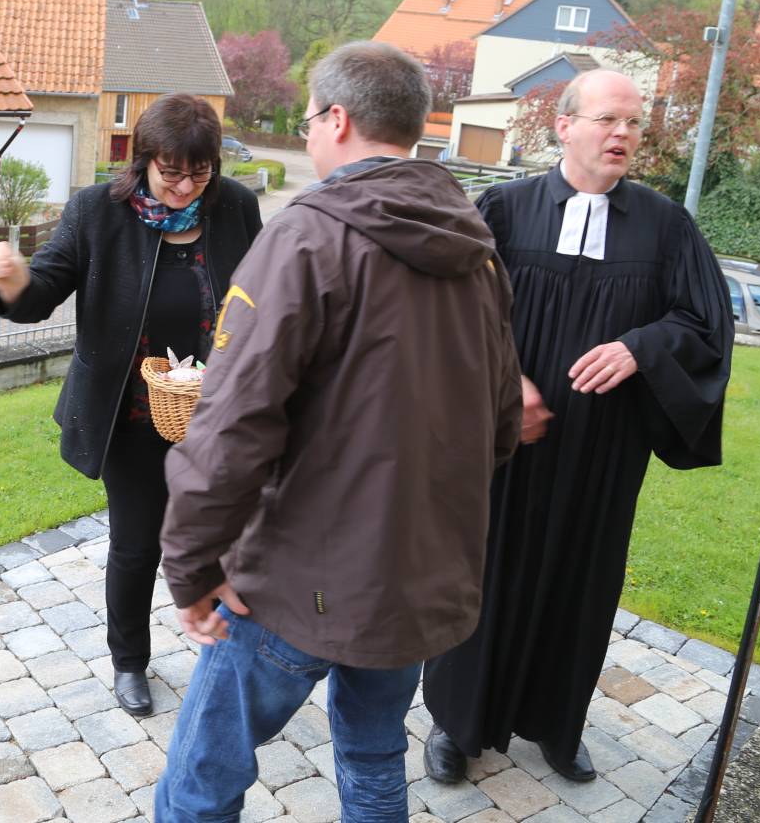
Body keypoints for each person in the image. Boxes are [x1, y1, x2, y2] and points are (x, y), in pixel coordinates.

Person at [152, 41, 523, 822]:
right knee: (375, 761)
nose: (309, 134)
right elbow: (499, 426)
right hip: (414, 578)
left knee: (201, 783)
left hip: (295, 580)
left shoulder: (306, 237)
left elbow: (231, 424)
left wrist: (190, 565)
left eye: (310, 120)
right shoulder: (477, 253)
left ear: (339, 119)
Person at [421, 69, 735, 785]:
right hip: (507, 441)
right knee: (483, 572)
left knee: (581, 581)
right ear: (564, 127)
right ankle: (456, 724)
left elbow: (704, 323)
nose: (623, 133)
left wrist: (640, 347)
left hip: (604, 450)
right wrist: (507, 380)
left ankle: (557, 724)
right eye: (607, 119)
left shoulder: (666, 226)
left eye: (634, 123)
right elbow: (451, 306)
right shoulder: (503, 209)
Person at [0, 94, 261, 717]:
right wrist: (13, 279)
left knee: (226, 539)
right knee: (137, 545)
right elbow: (42, 293)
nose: (184, 187)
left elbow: (260, 295)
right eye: (171, 173)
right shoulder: (96, 211)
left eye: (199, 173)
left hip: (215, 417)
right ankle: (130, 661)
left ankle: (227, 658)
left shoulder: (236, 207)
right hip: (128, 418)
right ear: (143, 161)